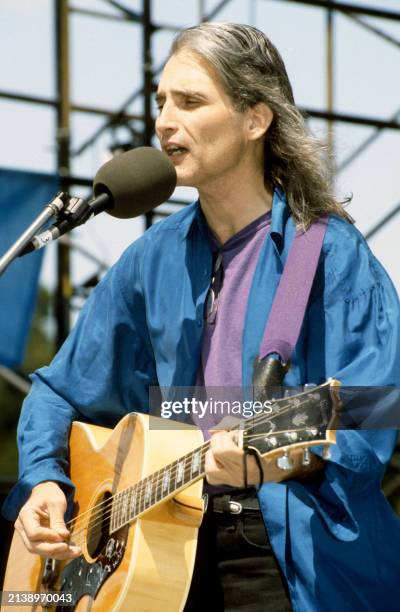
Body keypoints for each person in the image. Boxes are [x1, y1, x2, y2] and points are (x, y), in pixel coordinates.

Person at [3, 22, 400, 612]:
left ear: (255, 120)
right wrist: (43, 481)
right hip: (163, 552)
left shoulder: (330, 255)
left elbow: (374, 406)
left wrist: (270, 462)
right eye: (161, 102)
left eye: (190, 102)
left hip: (287, 556)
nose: (164, 121)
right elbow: (60, 392)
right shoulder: (149, 259)